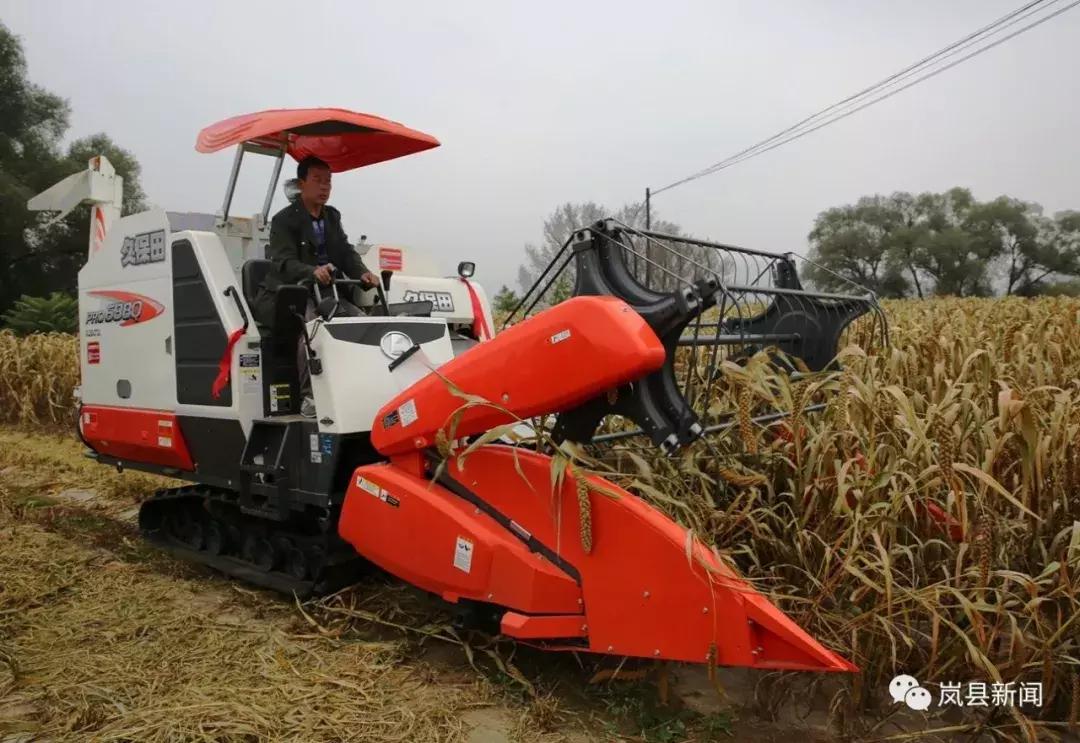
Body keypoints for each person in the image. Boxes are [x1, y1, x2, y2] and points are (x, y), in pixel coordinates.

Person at [252, 156, 378, 417]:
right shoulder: (284, 220)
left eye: (328, 181)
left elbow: (345, 252)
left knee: (359, 323)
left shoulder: (331, 217)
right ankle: (311, 398)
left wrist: (363, 272)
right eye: (318, 180)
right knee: (313, 328)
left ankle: (362, 391)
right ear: (302, 184)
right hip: (291, 294)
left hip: (328, 291)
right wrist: (312, 272)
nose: (324, 187)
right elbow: (283, 262)